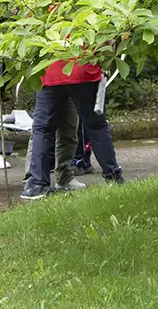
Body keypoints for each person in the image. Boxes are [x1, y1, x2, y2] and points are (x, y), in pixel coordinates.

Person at [22, 46, 125, 201]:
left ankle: (37, 185)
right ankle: (112, 176)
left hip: (50, 71)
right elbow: (106, 38)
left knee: (43, 130)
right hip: (84, 70)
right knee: (96, 126)